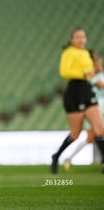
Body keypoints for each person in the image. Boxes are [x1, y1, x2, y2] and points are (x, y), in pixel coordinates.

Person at [51, 29, 104, 174]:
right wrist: (83, 73)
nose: (81, 39)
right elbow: (64, 72)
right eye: (78, 37)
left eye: (83, 36)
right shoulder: (69, 53)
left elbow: (92, 72)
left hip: (87, 90)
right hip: (74, 91)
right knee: (75, 133)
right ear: (72, 40)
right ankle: (56, 157)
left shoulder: (86, 54)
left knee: (99, 130)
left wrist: (95, 70)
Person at [64, 49, 104, 171]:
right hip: (94, 110)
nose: (100, 61)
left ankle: (69, 158)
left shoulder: (100, 75)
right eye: (96, 59)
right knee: (92, 137)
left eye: (99, 58)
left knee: (92, 138)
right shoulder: (87, 77)